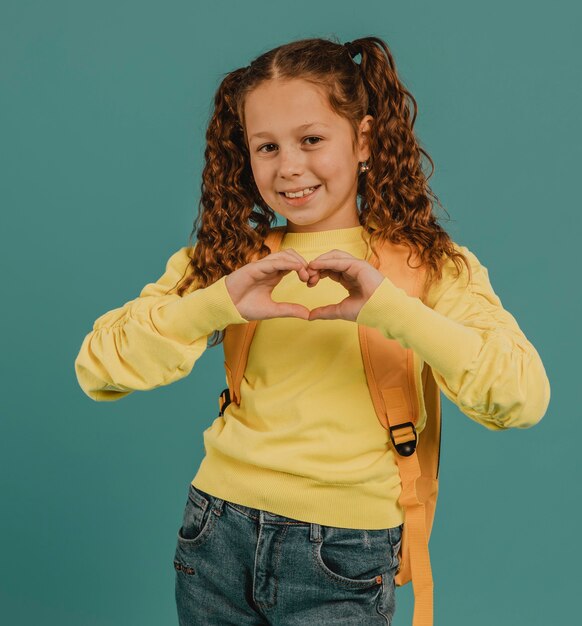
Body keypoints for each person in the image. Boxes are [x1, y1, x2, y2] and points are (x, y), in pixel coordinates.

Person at [74, 36, 550, 626]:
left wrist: (392, 310)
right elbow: (97, 368)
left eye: (312, 140)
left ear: (366, 141)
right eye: (266, 146)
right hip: (215, 532)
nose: (289, 166)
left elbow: (520, 397)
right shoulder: (231, 259)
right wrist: (215, 303)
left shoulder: (430, 266)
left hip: (345, 550)